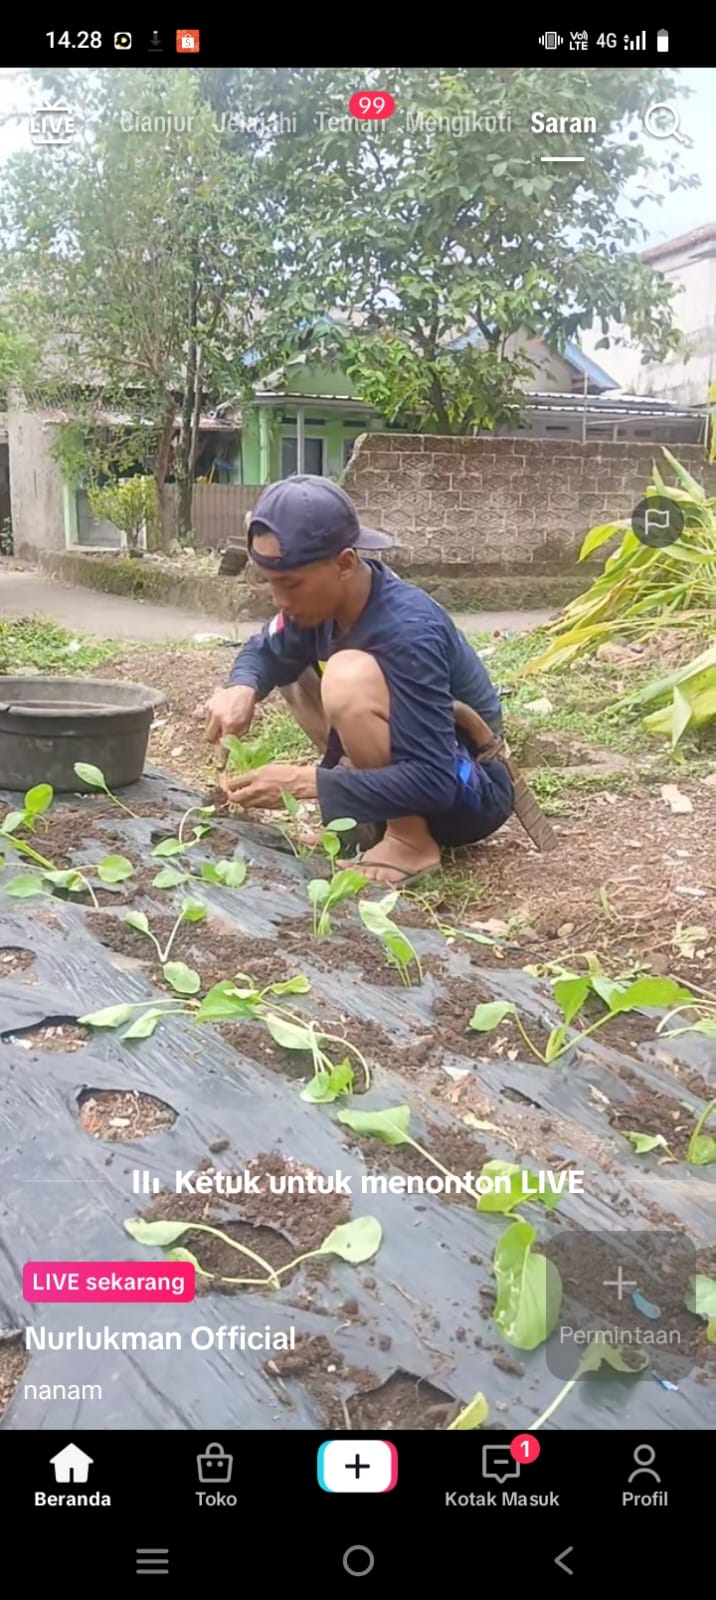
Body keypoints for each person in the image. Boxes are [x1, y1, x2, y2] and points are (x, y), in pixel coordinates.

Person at [205, 475, 514, 886]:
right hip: (415, 779)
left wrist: (304, 782)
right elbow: (264, 649)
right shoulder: (316, 606)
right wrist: (241, 688)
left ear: (345, 563)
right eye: (271, 582)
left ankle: (410, 842)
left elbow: (437, 780)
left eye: (291, 584)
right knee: (289, 665)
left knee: (348, 676)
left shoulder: (407, 630)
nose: (280, 600)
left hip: (468, 790)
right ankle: (369, 820)